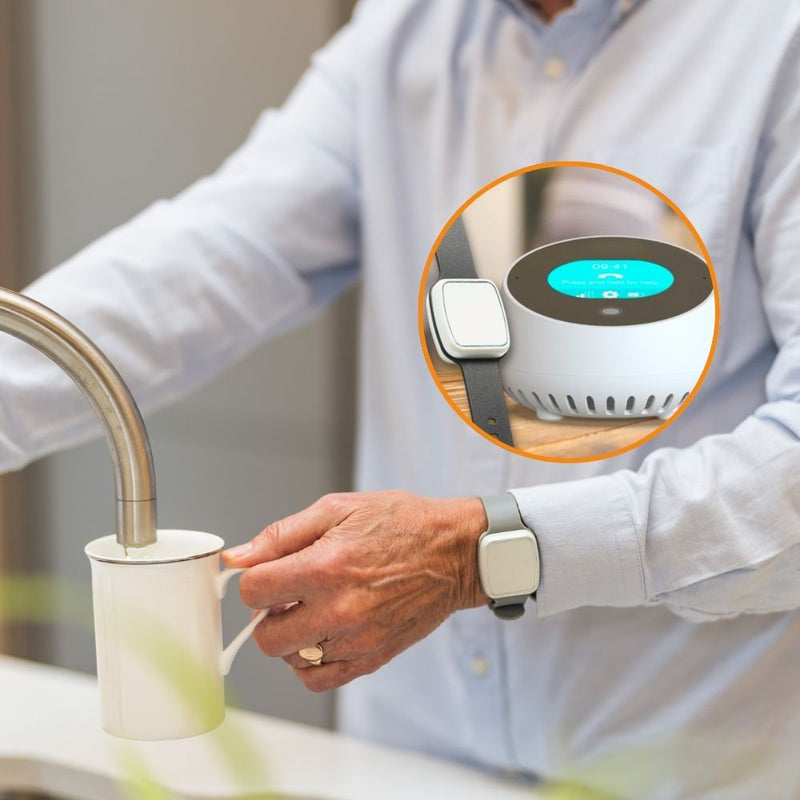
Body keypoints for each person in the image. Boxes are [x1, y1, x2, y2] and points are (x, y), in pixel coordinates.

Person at [1, 0, 799, 797]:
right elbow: (211, 255)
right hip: (405, 760)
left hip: (688, 765)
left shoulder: (772, 39)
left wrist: (477, 555)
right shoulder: (404, 29)